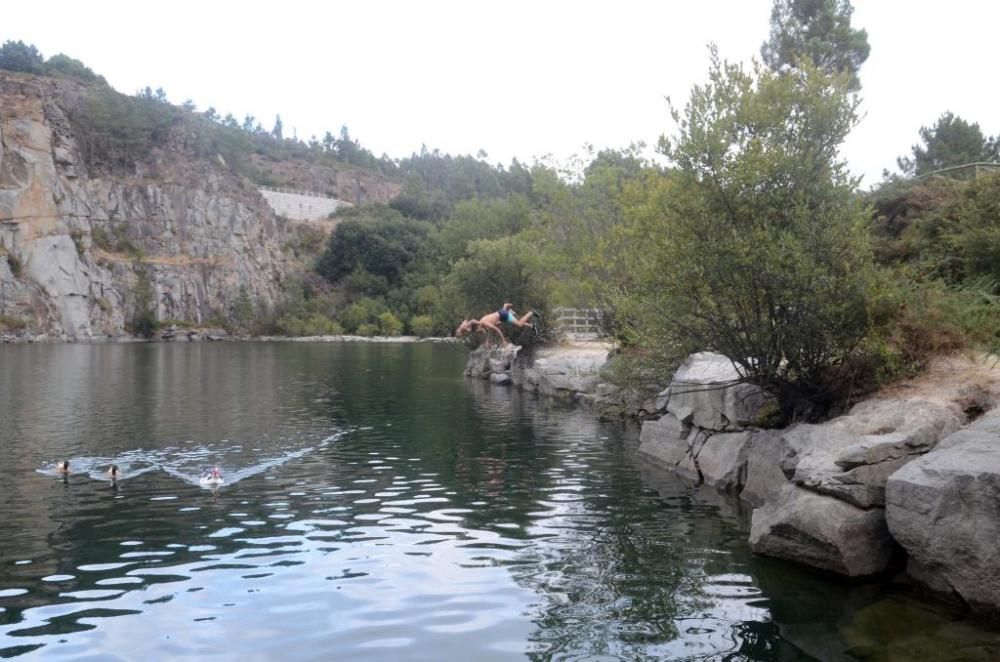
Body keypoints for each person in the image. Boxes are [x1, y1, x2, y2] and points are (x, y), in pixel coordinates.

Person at [456, 303, 539, 344]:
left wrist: (503, 341)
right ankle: (532, 326)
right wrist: (487, 341)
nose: (482, 331)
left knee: (519, 324)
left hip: (503, 315)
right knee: (513, 322)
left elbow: (496, 329)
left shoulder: (482, 323)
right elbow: (490, 331)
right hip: (501, 315)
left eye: (480, 330)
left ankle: (531, 312)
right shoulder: (483, 323)